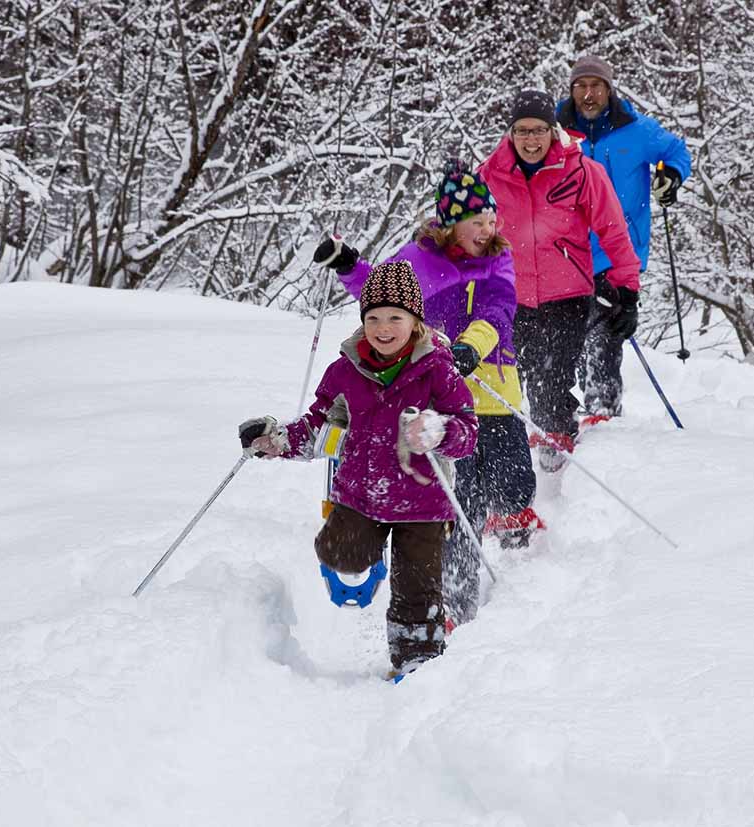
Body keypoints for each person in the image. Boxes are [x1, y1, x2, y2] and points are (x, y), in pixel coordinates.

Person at [312, 161, 543, 627]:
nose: (488, 228)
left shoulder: (497, 257)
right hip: (443, 402)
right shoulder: (419, 259)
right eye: (477, 220)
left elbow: (500, 311)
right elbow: (381, 292)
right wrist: (347, 265)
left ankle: (512, 518)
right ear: (451, 221)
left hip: (494, 390)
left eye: (491, 219)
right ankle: (454, 604)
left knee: (517, 485)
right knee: (464, 502)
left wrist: (470, 348)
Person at [238, 261, 478, 679]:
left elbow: (468, 432)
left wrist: (439, 430)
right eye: (373, 318)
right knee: (339, 552)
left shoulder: (438, 368)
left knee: (417, 592)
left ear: (415, 321)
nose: (384, 328)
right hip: (360, 493)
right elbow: (318, 425)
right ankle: (363, 556)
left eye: (395, 318)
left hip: (424, 503)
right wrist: (277, 441)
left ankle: (416, 661)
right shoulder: (345, 371)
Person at [478, 89, 641, 472]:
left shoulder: (582, 171)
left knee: (552, 378)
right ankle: (503, 463)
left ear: (553, 131)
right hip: (508, 296)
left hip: (566, 295)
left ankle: (555, 455)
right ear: (511, 134)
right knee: (505, 380)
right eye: (522, 131)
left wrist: (628, 291)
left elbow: (614, 233)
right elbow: (466, 234)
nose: (531, 140)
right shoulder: (490, 174)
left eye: (539, 130)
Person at [556, 55, 692, 422]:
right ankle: (562, 418)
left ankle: (602, 415)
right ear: (571, 91)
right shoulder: (554, 131)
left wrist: (672, 176)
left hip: (616, 253)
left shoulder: (637, 130)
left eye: (596, 86)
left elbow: (677, 151)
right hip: (564, 254)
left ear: (609, 89)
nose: (588, 94)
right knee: (566, 339)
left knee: (603, 338)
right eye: (581, 87)